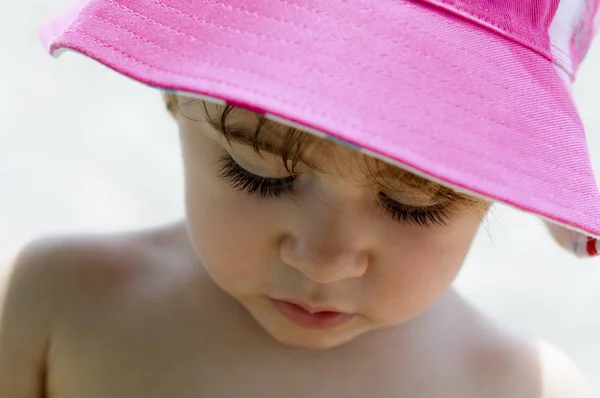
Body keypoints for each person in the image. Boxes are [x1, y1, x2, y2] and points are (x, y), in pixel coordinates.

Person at [1, 0, 598, 396]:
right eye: (259, 172)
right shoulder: (58, 305)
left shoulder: (526, 389)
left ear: (505, 187)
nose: (325, 259)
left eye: (413, 204)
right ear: (174, 96)